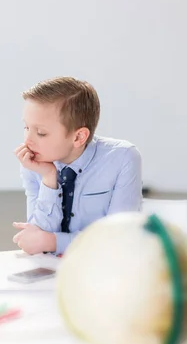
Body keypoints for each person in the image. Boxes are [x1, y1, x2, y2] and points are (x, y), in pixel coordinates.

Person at [14, 76, 142, 255]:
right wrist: (49, 179)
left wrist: (53, 242)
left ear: (78, 137)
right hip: (50, 274)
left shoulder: (123, 158)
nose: (27, 140)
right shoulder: (34, 163)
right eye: (26, 127)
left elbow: (118, 239)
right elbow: (36, 238)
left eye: (41, 133)